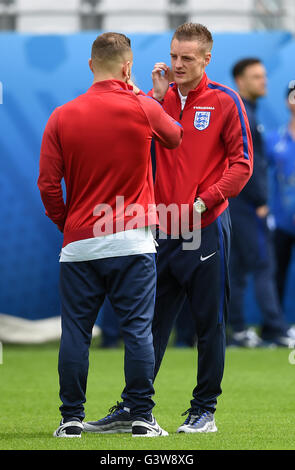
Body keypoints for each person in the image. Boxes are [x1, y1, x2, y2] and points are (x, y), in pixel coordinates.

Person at [107, 22, 252, 435]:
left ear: (207, 59)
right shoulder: (158, 99)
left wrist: (204, 201)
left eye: (187, 58)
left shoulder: (226, 101)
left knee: (209, 323)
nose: (178, 64)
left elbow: (242, 166)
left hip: (205, 226)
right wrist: (151, 99)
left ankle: (203, 411)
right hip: (161, 229)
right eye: (174, 56)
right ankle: (136, 407)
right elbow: (129, 145)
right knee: (149, 323)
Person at [38, 32, 183, 438]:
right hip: (132, 242)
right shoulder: (141, 106)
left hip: (80, 242)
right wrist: (148, 96)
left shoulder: (62, 115)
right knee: (138, 331)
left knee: (76, 335)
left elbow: (48, 185)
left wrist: (68, 225)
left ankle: (70, 420)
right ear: (128, 67)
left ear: (90, 66)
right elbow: (176, 137)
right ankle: (141, 417)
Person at [228, 58, 294, 348]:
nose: (263, 81)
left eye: (264, 75)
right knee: (263, 264)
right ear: (240, 81)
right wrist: (260, 201)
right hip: (246, 204)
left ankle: (239, 330)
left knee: (239, 269)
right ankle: (276, 329)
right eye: (256, 76)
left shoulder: (248, 112)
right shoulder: (244, 113)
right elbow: (247, 164)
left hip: (239, 203)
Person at [265, 84, 295, 332]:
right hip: (282, 220)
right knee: (277, 273)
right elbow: (258, 174)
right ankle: (273, 328)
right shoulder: (275, 139)